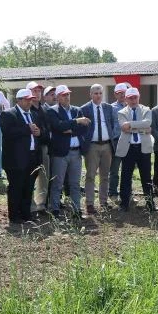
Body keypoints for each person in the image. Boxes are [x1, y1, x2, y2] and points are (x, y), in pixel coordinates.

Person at [1, 89, 47, 223]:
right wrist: (27, 129)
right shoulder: (8, 114)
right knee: (16, 187)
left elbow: (43, 132)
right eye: (26, 99)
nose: (29, 102)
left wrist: (40, 133)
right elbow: (8, 133)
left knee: (28, 187)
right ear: (18, 100)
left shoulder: (34, 114)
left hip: (33, 157)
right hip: (16, 160)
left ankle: (26, 214)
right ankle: (14, 216)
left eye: (30, 99)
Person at [45, 85, 90, 217]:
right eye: (64, 95)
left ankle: (76, 210)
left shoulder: (77, 110)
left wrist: (69, 130)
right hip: (60, 153)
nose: (67, 97)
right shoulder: (52, 111)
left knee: (75, 183)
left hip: (76, 152)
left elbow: (85, 128)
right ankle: (55, 210)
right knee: (57, 183)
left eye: (68, 94)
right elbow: (58, 126)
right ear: (58, 97)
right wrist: (76, 122)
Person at [116, 87, 158, 212]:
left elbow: (148, 123)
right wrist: (142, 129)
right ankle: (124, 204)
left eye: (135, 97)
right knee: (125, 177)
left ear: (139, 97)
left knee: (146, 177)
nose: (133, 100)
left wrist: (131, 125)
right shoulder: (122, 112)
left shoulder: (146, 110)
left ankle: (150, 204)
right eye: (130, 98)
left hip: (143, 147)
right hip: (128, 148)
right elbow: (124, 127)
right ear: (126, 99)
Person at [80, 84, 114, 214]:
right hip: (92, 146)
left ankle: (103, 202)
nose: (98, 96)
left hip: (107, 146)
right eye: (95, 93)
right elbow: (82, 129)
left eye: (100, 93)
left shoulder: (108, 108)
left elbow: (111, 125)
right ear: (91, 94)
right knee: (90, 175)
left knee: (105, 176)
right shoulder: (84, 109)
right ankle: (89, 204)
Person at [28, 81, 51, 214]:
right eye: (34, 91)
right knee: (31, 176)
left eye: (39, 91)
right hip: (31, 148)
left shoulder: (45, 109)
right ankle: (30, 205)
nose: (37, 93)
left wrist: (42, 133)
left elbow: (48, 129)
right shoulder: (26, 110)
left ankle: (41, 204)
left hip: (44, 146)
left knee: (44, 176)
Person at [108, 82, 129, 200]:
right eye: (119, 93)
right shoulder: (111, 108)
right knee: (114, 170)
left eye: (124, 93)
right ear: (115, 94)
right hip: (116, 142)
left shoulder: (131, 107)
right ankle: (113, 193)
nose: (122, 95)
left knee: (128, 169)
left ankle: (127, 193)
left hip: (129, 142)